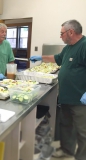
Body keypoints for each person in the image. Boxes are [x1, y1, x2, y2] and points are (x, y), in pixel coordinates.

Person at [30, 19, 86, 160]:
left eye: (61, 33)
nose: (60, 36)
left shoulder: (84, 45)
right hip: (67, 97)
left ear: (71, 32)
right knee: (66, 126)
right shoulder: (68, 48)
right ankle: (67, 150)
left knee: (83, 132)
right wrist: (41, 57)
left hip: (80, 99)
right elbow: (57, 58)